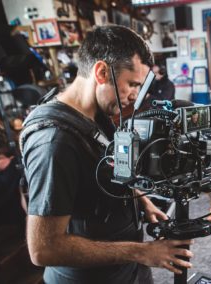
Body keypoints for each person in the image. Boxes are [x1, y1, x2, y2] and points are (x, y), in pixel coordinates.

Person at [21, 26, 193, 284]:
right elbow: (43, 249)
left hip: (126, 269)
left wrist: (142, 202)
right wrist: (141, 252)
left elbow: (110, 167)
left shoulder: (97, 116)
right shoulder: (54, 143)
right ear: (101, 72)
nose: (135, 95)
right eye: (132, 84)